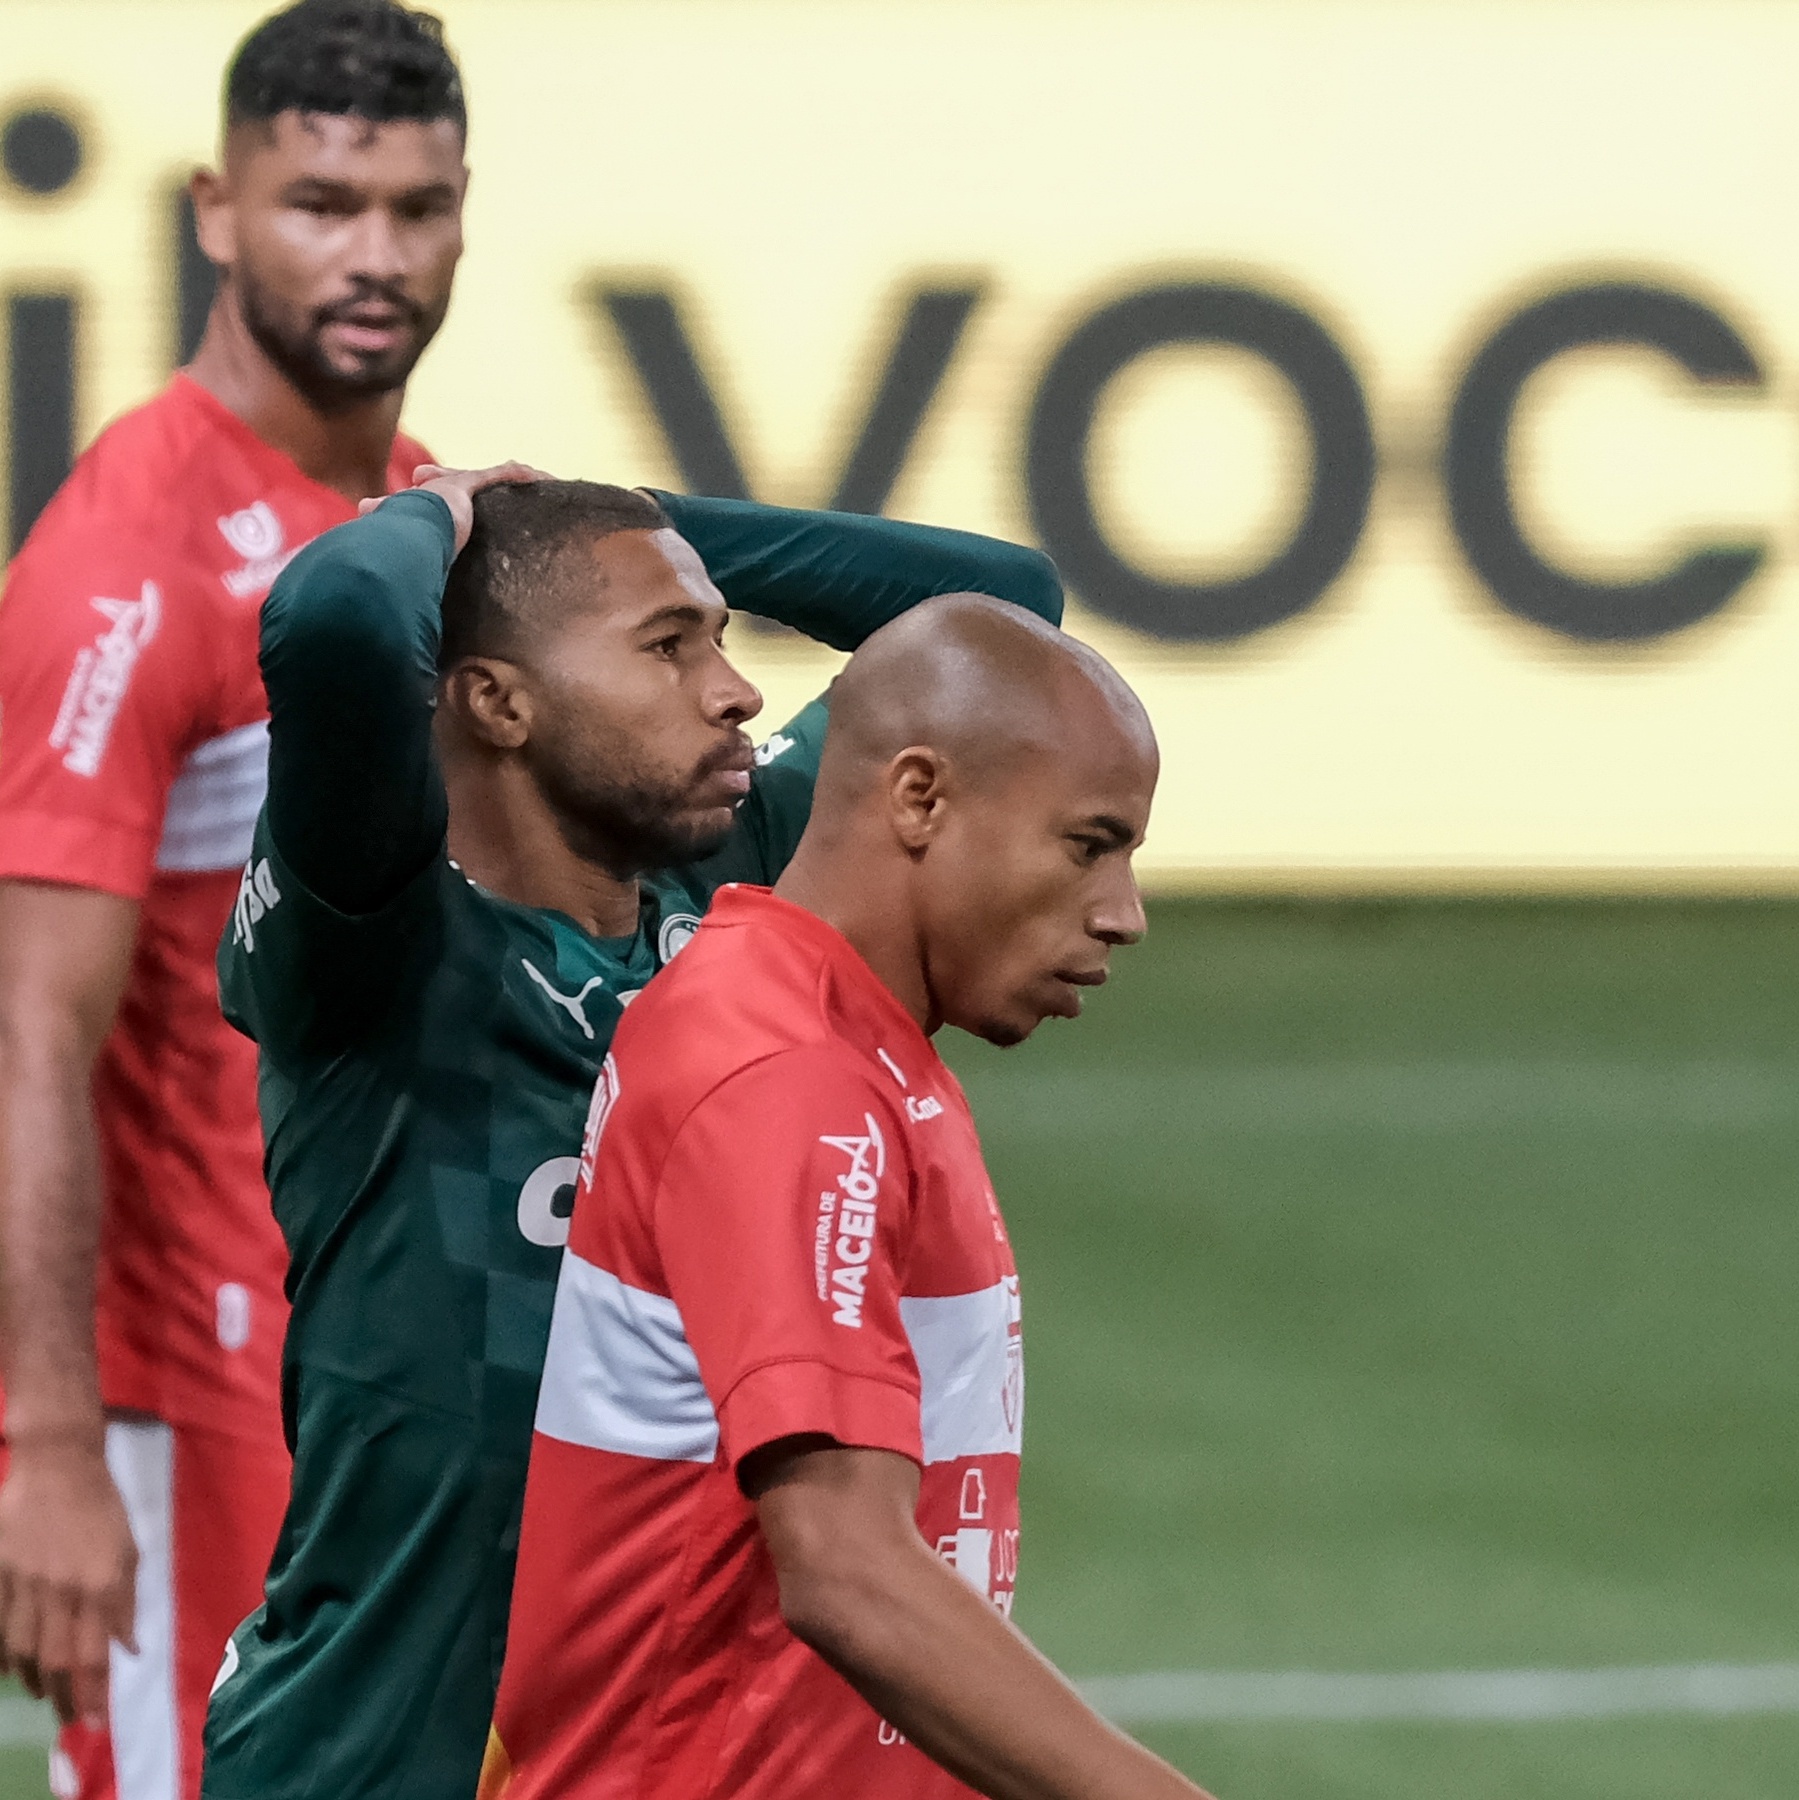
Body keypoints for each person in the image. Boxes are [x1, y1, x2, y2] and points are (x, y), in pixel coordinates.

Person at [200, 464, 1064, 1800]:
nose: (734, 689)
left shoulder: (727, 872)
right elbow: (339, 622)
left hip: (623, 1744)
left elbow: (996, 612)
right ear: (497, 701)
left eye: (716, 641)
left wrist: (626, 522)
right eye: (668, 648)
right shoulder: (376, 940)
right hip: (377, 1737)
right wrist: (453, 512)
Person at [487, 594, 1216, 1800]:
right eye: (1089, 845)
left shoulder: (837, 1035)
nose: (1121, 912)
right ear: (919, 798)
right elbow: (842, 1564)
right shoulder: (789, 1075)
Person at [0, 5, 464, 1796]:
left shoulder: (423, 510)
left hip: (371, 1355)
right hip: (184, 1386)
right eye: (321, 203)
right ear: (216, 209)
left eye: (415, 210)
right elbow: (28, 1031)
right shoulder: (125, 565)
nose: (373, 257)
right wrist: (45, 1446)